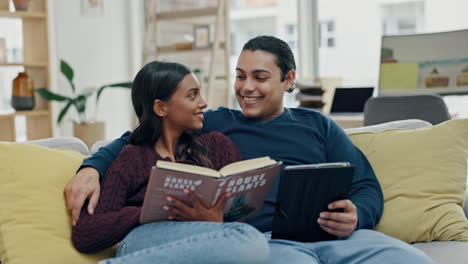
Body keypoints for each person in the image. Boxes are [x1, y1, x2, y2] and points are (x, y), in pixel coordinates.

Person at [66, 36, 434, 263]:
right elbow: (139, 138)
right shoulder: (213, 122)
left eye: (260, 77)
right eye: (240, 75)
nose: (246, 87)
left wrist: (358, 215)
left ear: (288, 80)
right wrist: (91, 166)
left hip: (338, 237)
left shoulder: (317, 125)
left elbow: (366, 185)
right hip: (264, 243)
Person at [71, 61, 269, 263]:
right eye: (192, 95)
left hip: (208, 240)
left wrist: (213, 219)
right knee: (250, 241)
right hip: (145, 240)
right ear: (161, 108)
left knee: (249, 239)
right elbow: (86, 234)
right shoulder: (133, 157)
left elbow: (240, 221)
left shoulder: (217, 146)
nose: (203, 103)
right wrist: (151, 212)